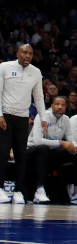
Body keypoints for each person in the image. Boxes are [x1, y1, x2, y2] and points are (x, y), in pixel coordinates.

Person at [0, 45, 47, 204]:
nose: (27, 55)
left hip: (22, 117)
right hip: (5, 115)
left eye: (30, 53)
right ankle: (0, 188)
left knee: (21, 155)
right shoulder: (4, 67)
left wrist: (44, 117)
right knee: (3, 153)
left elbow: (39, 97)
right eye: (24, 52)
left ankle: (19, 190)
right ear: (17, 53)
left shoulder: (36, 72)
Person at [25, 96, 77, 203]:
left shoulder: (66, 119)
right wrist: (61, 143)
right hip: (32, 151)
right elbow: (37, 141)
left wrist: (74, 146)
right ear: (52, 106)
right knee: (44, 149)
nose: (60, 107)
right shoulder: (41, 117)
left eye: (63, 105)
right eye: (57, 104)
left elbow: (71, 139)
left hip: (51, 152)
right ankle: (39, 189)